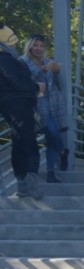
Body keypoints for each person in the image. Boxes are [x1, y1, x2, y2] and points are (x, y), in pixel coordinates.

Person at [0, 25, 42, 199]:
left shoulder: (10, 59)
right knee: (28, 142)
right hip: (17, 104)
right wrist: (35, 87)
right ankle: (28, 178)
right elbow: (16, 81)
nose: (15, 46)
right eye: (12, 44)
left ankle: (23, 181)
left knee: (21, 141)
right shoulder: (5, 59)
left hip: (17, 104)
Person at [20, 33, 68, 183]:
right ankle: (62, 151)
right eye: (35, 45)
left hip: (53, 107)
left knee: (52, 136)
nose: (39, 48)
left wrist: (57, 71)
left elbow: (60, 85)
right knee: (52, 131)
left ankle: (51, 172)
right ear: (29, 47)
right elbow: (24, 83)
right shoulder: (22, 63)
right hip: (35, 108)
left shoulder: (49, 62)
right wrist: (43, 71)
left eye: (41, 46)